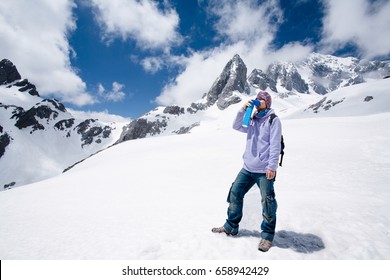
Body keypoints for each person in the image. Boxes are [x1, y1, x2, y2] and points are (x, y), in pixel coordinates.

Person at [212, 91, 282, 252]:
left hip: (264, 169)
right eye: (257, 98)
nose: (258, 101)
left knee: (267, 201)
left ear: (268, 103)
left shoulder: (273, 120)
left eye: (262, 99)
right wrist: (243, 110)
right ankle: (231, 226)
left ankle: (267, 236)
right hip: (247, 167)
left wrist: (272, 166)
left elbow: (275, 144)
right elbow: (236, 126)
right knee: (235, 192)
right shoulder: (252, 119)